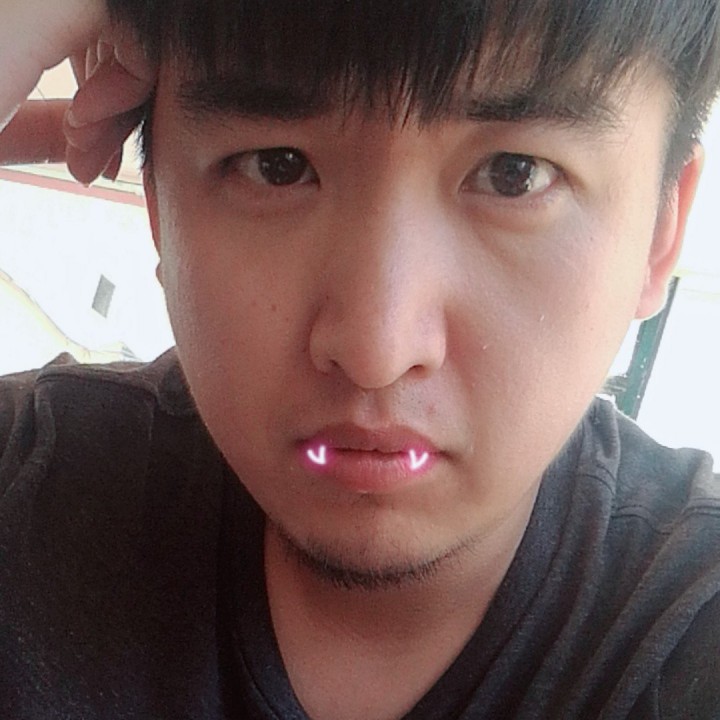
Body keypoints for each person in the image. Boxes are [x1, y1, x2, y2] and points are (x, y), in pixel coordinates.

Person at [1, 1, 720, 718]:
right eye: (277, 167)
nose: (377, 352)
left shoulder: (691, 633)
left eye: (514, 175)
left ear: (662, 230)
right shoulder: (26, 489)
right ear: (158, 208)